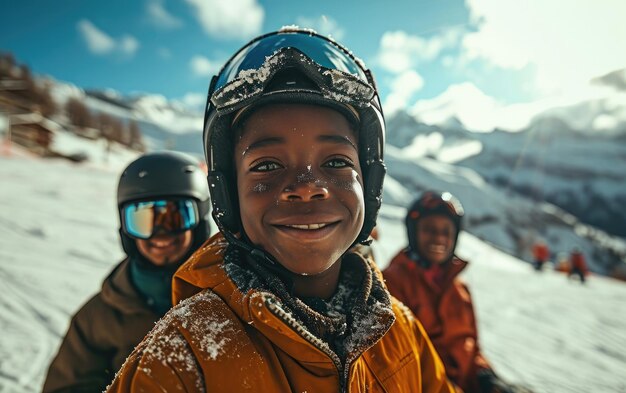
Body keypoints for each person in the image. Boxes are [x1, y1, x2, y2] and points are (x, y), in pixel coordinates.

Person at [107, 28, 455, 392]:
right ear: (227, 193)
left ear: (369, 183)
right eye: (267, 166)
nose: (307, 187)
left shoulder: (401, 333)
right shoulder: (181, 358)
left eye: (336, 162)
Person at [43, 151, 212, 392]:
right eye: (142, 220)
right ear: (126, 229)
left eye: (175, 217)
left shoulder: (230, 293)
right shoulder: (98, 318)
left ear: (199, 221)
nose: (160, 234)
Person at [383, 191, 530, 393]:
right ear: (413, 232)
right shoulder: (391, 283)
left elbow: (472, 348)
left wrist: (486, 377)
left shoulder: (460, 290)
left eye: (446, 231)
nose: (439, 238)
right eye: (429, 229)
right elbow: (398, 362)